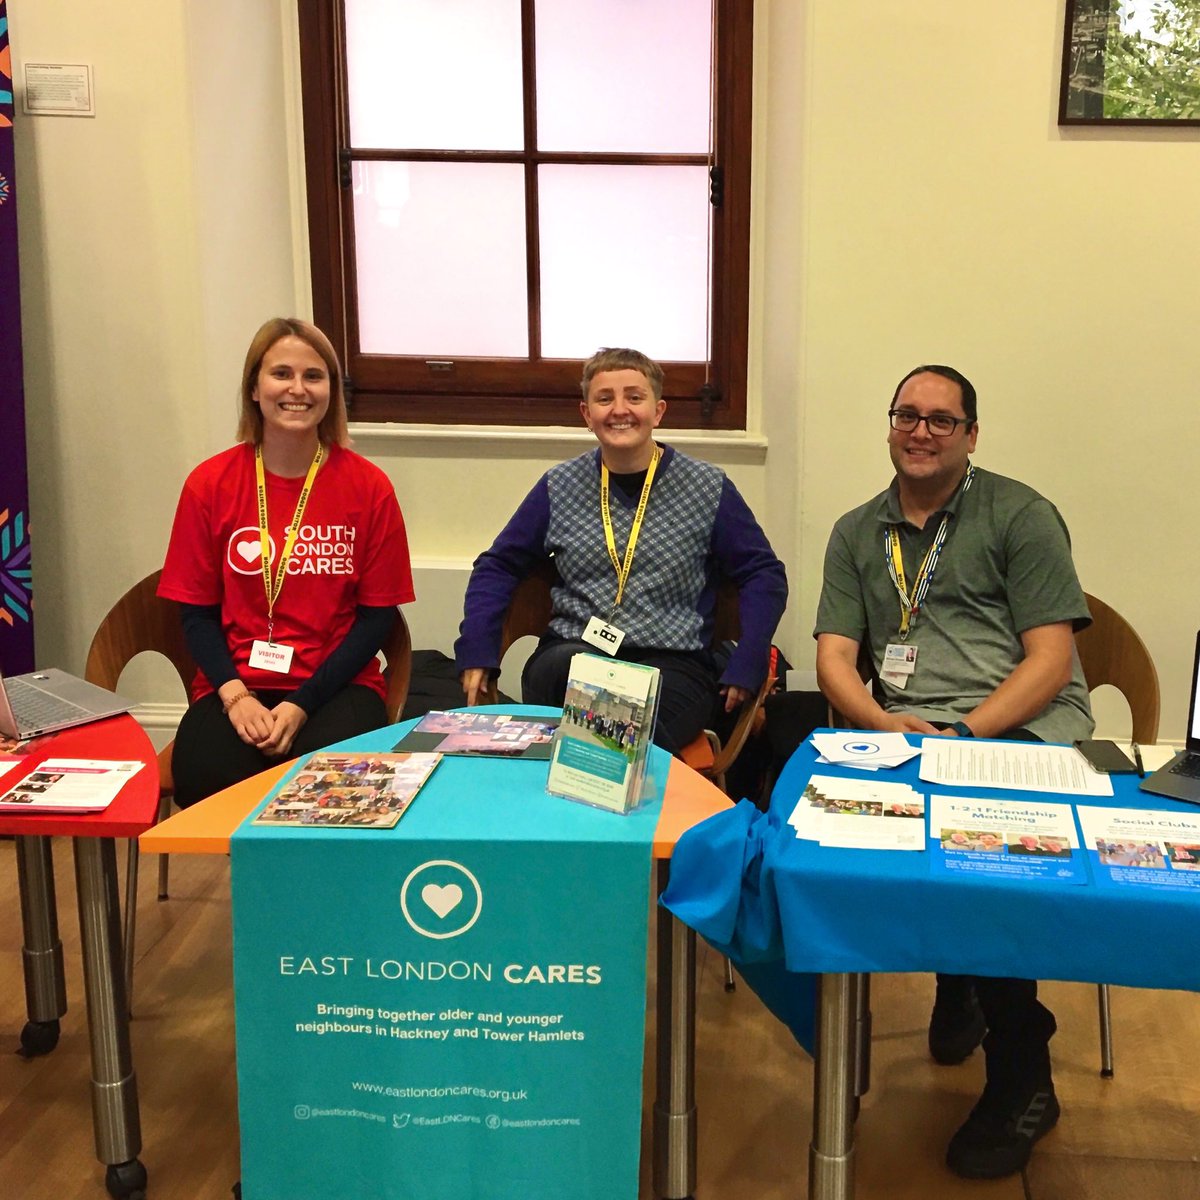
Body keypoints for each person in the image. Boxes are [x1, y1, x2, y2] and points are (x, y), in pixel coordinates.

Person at [813, 364, 1094, 1180]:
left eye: (943, 419)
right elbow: (834, 657)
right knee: (827, 841)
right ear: (890, 424)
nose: (922, 430)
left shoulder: (1021, 513)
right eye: (909, 415)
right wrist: (882, 723)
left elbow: (1051, 658)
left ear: (972, 434)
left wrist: (965, 732)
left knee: (985, 863)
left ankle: (1023, 1075)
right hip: (903, 730)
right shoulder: (856, 530)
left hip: (1021, 728)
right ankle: (962, 978)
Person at [454, 347, 787, 754]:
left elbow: (762, 573)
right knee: (571, 677)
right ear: (586, 413)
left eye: (634, 397)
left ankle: (587, 780)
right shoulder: (559, 485)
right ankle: (623, 781)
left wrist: (750, 656)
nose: (619, 410)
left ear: (658, 411)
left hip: (670, 667)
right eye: (605, 398)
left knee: (626, 714)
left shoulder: (706, 487)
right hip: (573, 655)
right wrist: (478, 648)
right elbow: (498, 565)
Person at [159, 317, 414, 808]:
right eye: (281, 374)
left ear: (331, 392)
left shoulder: (369, 487)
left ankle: (321, 885)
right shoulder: (208, 485)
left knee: (338, 792)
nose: (297, 389)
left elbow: (376, 618)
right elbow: (195, 614)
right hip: (234, 684)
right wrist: (236, 698)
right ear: (254, 387)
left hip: (335, 688)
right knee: (208, 777)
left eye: (313, 376)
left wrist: (301, 704)